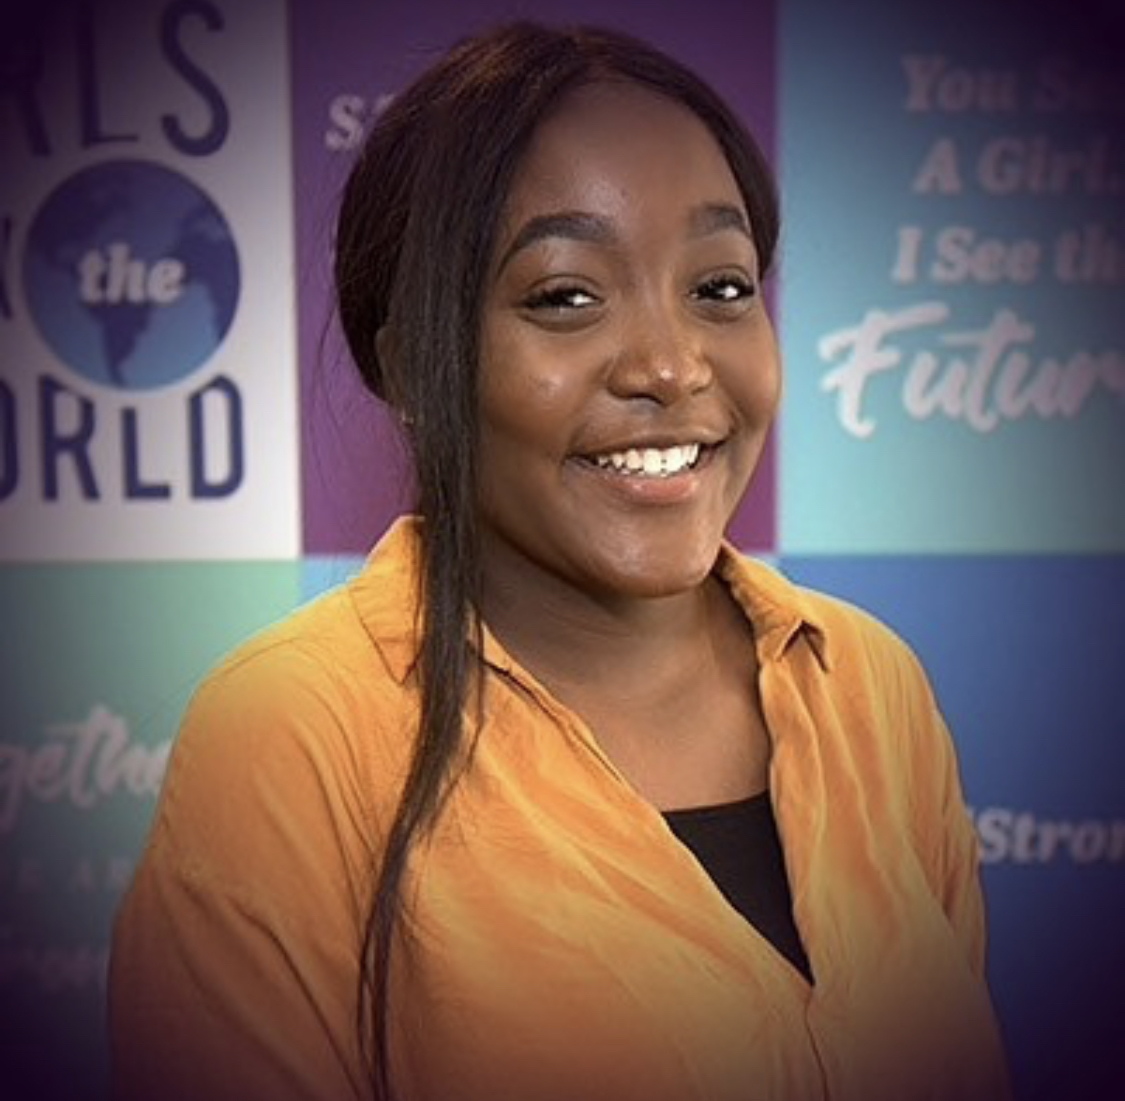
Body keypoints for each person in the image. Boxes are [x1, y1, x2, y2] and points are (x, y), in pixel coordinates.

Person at [108, 20, 1012, 1101]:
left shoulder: (869, 681)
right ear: (409, 361)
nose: (673, 366)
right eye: (566, 296)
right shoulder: (293, 737)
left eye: (720, 288)